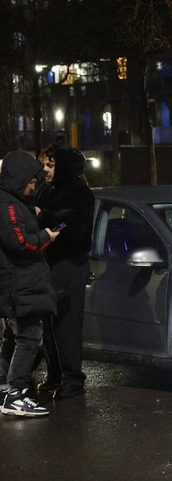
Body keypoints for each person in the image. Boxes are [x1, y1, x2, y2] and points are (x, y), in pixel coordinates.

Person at [0, 150, 59, 416]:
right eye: (31, 181)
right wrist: (45, 236)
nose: (34, 185)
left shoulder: (12, 203)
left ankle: (5, 390)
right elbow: (20, 242)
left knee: (13, 338)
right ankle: (15, 393)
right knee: (29, 338)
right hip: (20, 283)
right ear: (18, 178)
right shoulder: (8, 206)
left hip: (19, 283)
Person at [35, 145, 94, 400]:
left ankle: (72, 377)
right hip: (50, 262)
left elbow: (71, 227)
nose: (45, 169)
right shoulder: (48, 191)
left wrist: (43, 216)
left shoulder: (79, 194)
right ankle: (55, 374)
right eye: (44, 164)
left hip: (69, 264)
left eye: (51, 164)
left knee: (66, 323)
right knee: (49, 322)